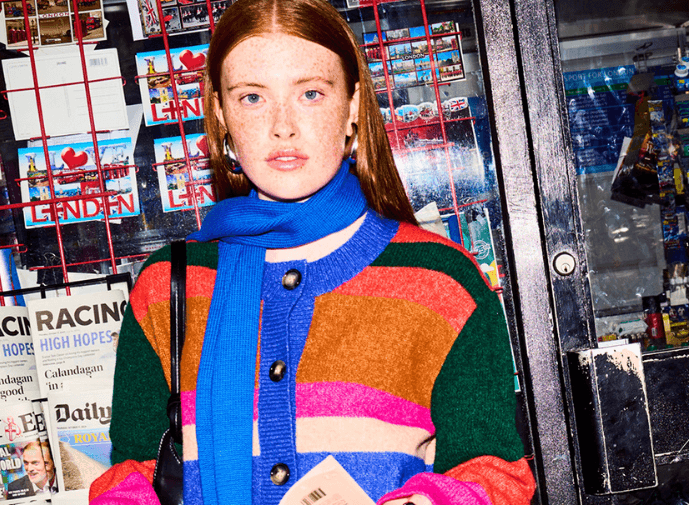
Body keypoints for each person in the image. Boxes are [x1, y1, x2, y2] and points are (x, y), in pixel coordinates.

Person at [94, 0, 536, 504]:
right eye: (253, 98)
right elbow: (130, 471)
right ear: (220, 114)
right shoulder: (165, 287)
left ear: (351, 106)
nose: (283, 126)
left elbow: (495, 471)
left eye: (310, 93)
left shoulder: (442, 282)